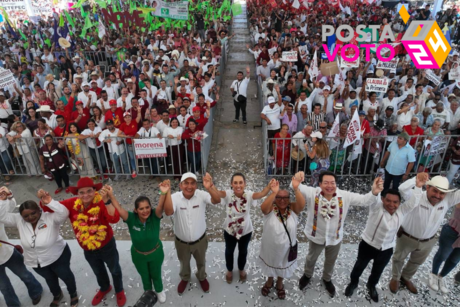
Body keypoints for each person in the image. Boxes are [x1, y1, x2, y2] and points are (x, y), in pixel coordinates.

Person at [38, 178, 127, 306]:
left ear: (95, 191)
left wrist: (107, 201)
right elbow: (51, 209)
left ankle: (119, 290)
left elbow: (114, 219)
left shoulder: (102, 202)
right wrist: (46, 200)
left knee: (115, 270)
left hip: (107, 246)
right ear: (77, 194)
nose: (85, 195)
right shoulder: (72, 203)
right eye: (81, 192)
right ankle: (105, 288)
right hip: (88, 249)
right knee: (98, 271)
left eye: (89, 191)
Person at [297, 172, 384, 297]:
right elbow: (295, 185)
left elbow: (365, 200)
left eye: (332, 183)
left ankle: (327, 279)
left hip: (335, 238)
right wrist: (297, 178)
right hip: (316, 237)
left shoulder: (344, 196)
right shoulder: (313, 193)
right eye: (326, 183)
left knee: (330, 261)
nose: (329, 186)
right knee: (311, 258)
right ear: (320, 184)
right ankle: (307, 275)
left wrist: (374, 192)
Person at [345, 173, 426, 302]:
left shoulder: (402, 211)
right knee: (359, 266)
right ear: (383, 200)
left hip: (386, 248)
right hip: (368, 245)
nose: (391, 204)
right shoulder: (376, 207)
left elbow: (413, 202)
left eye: (395, 202)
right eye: (388, 200)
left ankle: (371, 285)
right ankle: (353, 282)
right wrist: (375, 191)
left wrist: (417, 185)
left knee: (378, 271)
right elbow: (372, 199)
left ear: (399, 203)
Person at [0, 187, 79, 307]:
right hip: (37, 262)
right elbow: (2, 217)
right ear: (21, 216)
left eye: (33, 213)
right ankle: (57, 295)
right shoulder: (18, 220)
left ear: (39, 210)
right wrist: (4, 200)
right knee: (50, 280)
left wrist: (50, 202)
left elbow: (64, 213)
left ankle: (73, 294)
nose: (30, 218)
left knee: (66, 277)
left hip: (58, 256)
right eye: (25, 216)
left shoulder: (50, 217)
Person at [390, 175, 460, 295]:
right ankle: (395, 278)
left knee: (416, 262)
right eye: (435, 191)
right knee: (398, 259)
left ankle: (405, 277)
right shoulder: (416, 195)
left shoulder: (447, 200)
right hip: (407, 237)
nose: (438, 196)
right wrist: (416, 180)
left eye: (442, 193)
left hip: (428, 241)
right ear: (427, 187)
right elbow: (402, 189)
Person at [102, 184, 168, 303]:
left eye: (147, 207)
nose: (145, 211)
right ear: (135, 210)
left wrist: (163, 193)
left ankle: (159, 290)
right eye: (141, 208)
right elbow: (119, 209)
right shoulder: (131, 218)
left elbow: (160, 207)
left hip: (155, 253)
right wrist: (111, 196)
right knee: (144, 275)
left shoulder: (155, 216)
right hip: (139, 255)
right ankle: (148, 292)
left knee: (156, 273)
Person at [162, 172, 221, 295]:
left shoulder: (201, 195)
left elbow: (216, 200)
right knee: (184, 263)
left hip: (200, 240)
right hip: (181, 242)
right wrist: (166, 192)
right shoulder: (174, 197)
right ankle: (185, 278)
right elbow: (168, 212)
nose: (189, 186)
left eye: (192, 183)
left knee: (201, 261)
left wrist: (209, 187)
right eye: (186, 183)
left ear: (196, 185)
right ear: (180, 185)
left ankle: (201, 277)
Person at [212, 174, 273, 283]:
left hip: (245, 231)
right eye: (235, 183)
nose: (238, 185)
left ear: (245, 184)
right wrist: (210, 185)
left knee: (243, 251)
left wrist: (269, 187)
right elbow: (218, 193)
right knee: (229, 251)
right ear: (231, 184)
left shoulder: (248, 195)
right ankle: (229, 270)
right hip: (230, 231)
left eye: (240, 182)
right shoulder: (228, 194)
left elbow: (260, 194)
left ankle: (241, 269)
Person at [259, 177, 306, 299]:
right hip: (270, 247)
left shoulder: (293, 210)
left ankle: (279, 283)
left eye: (285, 197)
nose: (282, 200)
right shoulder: (270, 210)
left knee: (283, 264)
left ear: (289, 199)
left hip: (287, 248)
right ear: (274, 199)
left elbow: (302, 204)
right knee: (271, 263)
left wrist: (296, 188)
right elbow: (263, 208)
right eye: (279, 197)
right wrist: (274, 192)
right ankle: (269, 281)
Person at [0, 186, 43, 307]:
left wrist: (7, 197)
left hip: (8, 253)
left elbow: (8, 208)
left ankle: (36, 291)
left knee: (24, 275)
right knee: (4, 287)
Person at [430, 202, 460, 294]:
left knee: (455, 260)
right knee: (443, 255)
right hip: (453, 231)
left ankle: (441, 276)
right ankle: (433, 274)